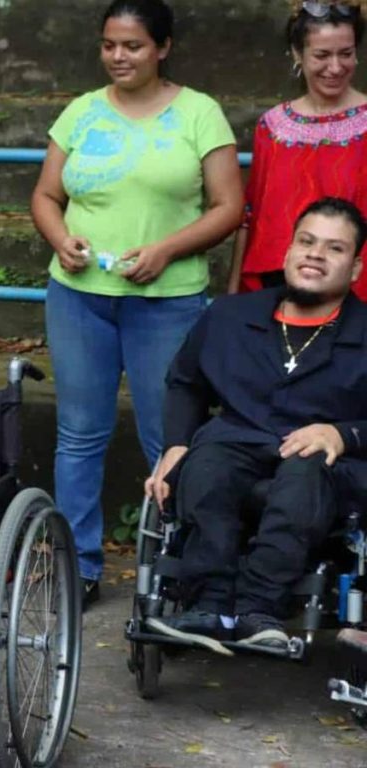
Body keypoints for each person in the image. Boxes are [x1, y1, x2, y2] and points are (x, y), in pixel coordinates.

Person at [30, 0, 244, 608]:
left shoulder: (199, 113)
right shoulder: (80, 111)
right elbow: (46, 195)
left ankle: (176, 570)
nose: (118, 57)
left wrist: (166, 251)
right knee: (78, 434)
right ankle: (79, 565)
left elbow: (229, 207)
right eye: (109, 45)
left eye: (133, 46)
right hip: (79, 297)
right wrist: (58, 239)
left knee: (170, 436)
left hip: (167, 301)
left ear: (164, 48)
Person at [145, 197, 367, 654]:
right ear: (287, 252)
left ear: (356, 268)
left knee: (305, 469)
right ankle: (207, 607)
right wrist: (175, 445)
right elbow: (186, 384)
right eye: (305, 242)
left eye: (334, 248)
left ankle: (257, 610)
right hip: (236, 445)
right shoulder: (228, 316)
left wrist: (343, 435)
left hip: (326, 467)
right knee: (206, 464)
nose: (314, 254)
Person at [230, 0, 367, 299]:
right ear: (297, 54)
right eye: (321, 55)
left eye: (346, 54)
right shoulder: (273, 126)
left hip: (357, 287)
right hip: (279, 284)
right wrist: (234, 296)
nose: (335, 67)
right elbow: (252, 214)